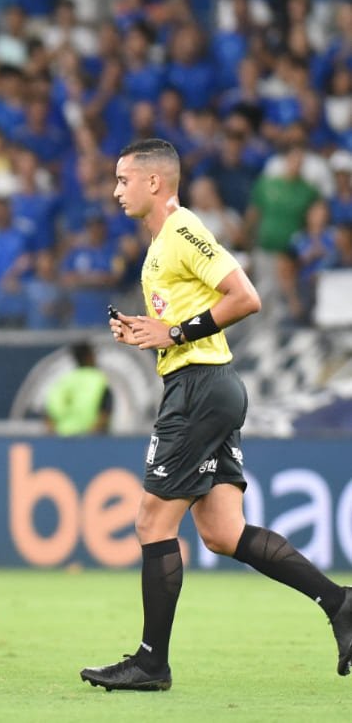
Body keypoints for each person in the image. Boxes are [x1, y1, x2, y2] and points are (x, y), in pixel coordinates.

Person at [81, 139, 352, 691]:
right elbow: (183, 321)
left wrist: (175, 334)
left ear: (155, 182)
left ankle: (151, 663)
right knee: (224, 533)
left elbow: (245, 296)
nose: (115, 191)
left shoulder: (182, 231)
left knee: (151, 523)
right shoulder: (160, 244)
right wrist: (152, 333)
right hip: (207, 382)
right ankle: (341, 602)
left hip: (199, 389)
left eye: (123, 180)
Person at [45, 341, 112, 436]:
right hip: (90, 443)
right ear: (89, 356)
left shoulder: (64, 381)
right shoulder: (99, 380)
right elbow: (105, 413)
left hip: (62, 441)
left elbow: (49, 416)